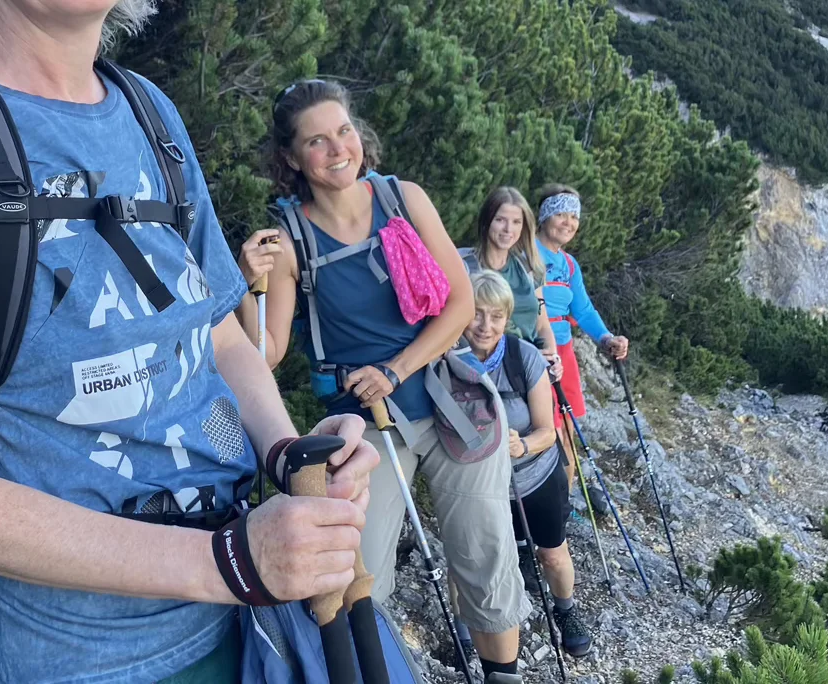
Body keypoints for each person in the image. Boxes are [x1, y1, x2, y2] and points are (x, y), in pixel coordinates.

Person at [0, 2, 382, 682]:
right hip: (82, 654)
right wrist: (231, 563)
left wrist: (286, 450)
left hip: (246, 618)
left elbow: (216, 333)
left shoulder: (147, 111)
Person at [236, 78, 532, 684]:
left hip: (450, 401)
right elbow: (263, 355)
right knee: (355, 571)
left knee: (484, 551)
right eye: (316, 141)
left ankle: (504, 675)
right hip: (362, 424)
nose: (338, 148)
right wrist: (249, 286)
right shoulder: (290, 240)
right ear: (292, 159)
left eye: (343, 130)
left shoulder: (403, 198)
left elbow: (457, 304)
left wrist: (394, 370)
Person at [455, 271, 595, 658]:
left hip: (534, 476)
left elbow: (547, 432)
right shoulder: (447, 359)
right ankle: (466, 634)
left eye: (496, 316)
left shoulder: (523, 357)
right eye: (477, 314)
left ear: (507, 317)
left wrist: (521, 446)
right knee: (470, 558)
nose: (485, 326)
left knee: (551, 552)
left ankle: (566, 610)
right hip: (480, 484)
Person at [535, 183, 628, 508]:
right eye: (561, 213)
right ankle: (541, 501)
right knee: (543, 429)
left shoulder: (569, 264)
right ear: (545, 215)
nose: (569, 222)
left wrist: (606, 339)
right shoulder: (527, 251)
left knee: (567, 429)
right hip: (534, 352)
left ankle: (563, 502)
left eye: (574, 216)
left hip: (565, 354)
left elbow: (583, 309)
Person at [460, 186, 561, 379]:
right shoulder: (462, 266)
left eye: (516, 222)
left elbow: (541, 325)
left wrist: (552, 357)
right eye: (500, 220)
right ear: (486, 221)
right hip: (481, 371)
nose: (508, 229)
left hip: (528, 373)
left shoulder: (530, 269)